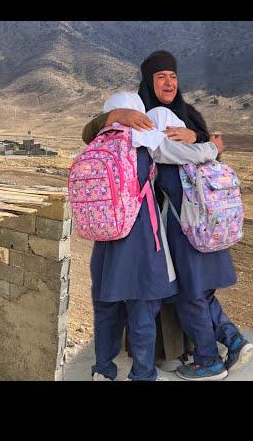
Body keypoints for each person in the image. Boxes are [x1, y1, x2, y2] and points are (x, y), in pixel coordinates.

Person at [84, 50, 253, 381]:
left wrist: (200, 137)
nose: (169, 82)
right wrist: (114, 115)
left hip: (187, 221)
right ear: (148, 81)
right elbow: (92, 133)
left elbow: (204, 150)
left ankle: (210, 352)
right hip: (166, 223)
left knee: (189, 292)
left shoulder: (182, 115)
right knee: (186, 293)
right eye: (161, 76)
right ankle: (223, 345)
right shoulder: (141, 116)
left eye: (173, 76)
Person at [89, 92, 222, 382]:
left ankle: (103, 369)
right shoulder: (144, 139)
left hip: (105, 239)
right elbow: (190, 154)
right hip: (139, 236)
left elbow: (89, 129)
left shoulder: (98, 141)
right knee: (142, 307)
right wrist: (212, 145)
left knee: (106, 305)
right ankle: (143, 373)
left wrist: (110, 119)